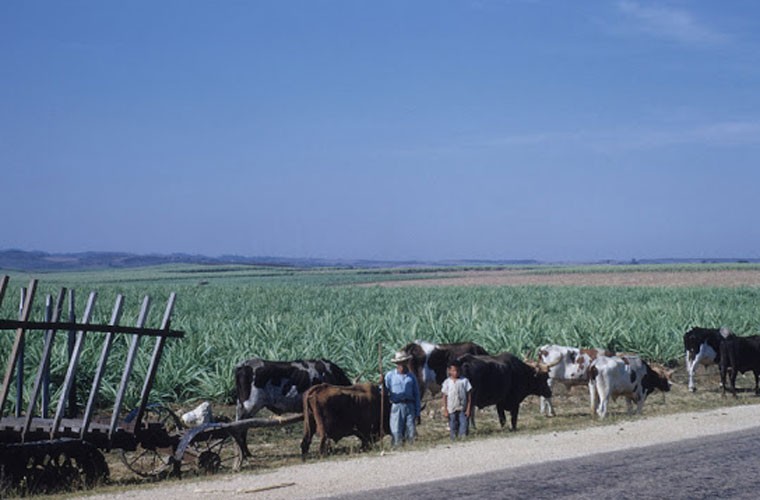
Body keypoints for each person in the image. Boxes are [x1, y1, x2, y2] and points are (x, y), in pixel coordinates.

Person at [384, 352, 421, 446]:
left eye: (404, 362)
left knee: (410, 429)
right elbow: (383, 391)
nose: (402, 365)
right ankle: (397, 448)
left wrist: (418, 412)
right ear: (396, 364)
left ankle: (410, 449)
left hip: (410, 405)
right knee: (396, 430)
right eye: (400, 363)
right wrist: (381, 384)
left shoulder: (411, 377)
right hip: (396, 405)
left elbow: (417, 394)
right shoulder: (390, 376)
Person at [441, 359, 472, 440]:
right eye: (453, 371)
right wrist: (445, 409)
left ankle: (463, 439)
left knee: (463, 424)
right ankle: (453, 440)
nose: (455, 373)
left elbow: (469, 396)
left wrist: (468, 409)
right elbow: (444, 396)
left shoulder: (464, 381)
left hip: (462, 408)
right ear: (449, 371)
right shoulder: (447, 382)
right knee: (453, 425)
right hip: (451, 408)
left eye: (457, 370)